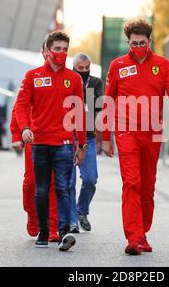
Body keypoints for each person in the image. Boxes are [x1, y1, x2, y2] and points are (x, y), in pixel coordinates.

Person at [101, 19, 169, 255]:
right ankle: (134, 237)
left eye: (142, 43)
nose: (138, 47)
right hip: (125, 130)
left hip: (152, 132)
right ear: (128, 42)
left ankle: (143, 232)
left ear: (149, 41)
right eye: (133, 43)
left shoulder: (161, 64)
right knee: (132, 183)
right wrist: (105, 136)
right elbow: (108, 100)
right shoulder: (118, 65)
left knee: (148, 187)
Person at [15, 31, 87, 251]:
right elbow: (20, 106)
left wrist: (81, 144)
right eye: (57, 49)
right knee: (40, 188)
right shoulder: (32, 76)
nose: (61, 53)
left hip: (64, 143)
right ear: (46, 51)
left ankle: (64, 231)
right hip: (39, 143)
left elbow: (79, 113)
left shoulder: (74, 78)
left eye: (65, 49)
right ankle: (44, 232)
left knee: (63, 187)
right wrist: (24, 129)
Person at [10, 108, 59, 242]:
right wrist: (16, 134)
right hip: (33, 138)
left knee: (54, 182)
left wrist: (78, 139)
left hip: (57, 138)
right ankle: (32, 213)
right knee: (31, 182)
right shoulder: (29, 85)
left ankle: (52, 227)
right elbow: (19, 108)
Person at [69, 53, 103, 233]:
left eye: (86, 68)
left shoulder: (96, 83)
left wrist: (99, 138)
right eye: (79, 68)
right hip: (68, 135)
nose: (83, 71)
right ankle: (72, 220)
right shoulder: (67, 79)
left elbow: (98, 111)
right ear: (73, 66)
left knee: (90, 179)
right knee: (68, 181)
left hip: (88, 136)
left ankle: (81, 210)